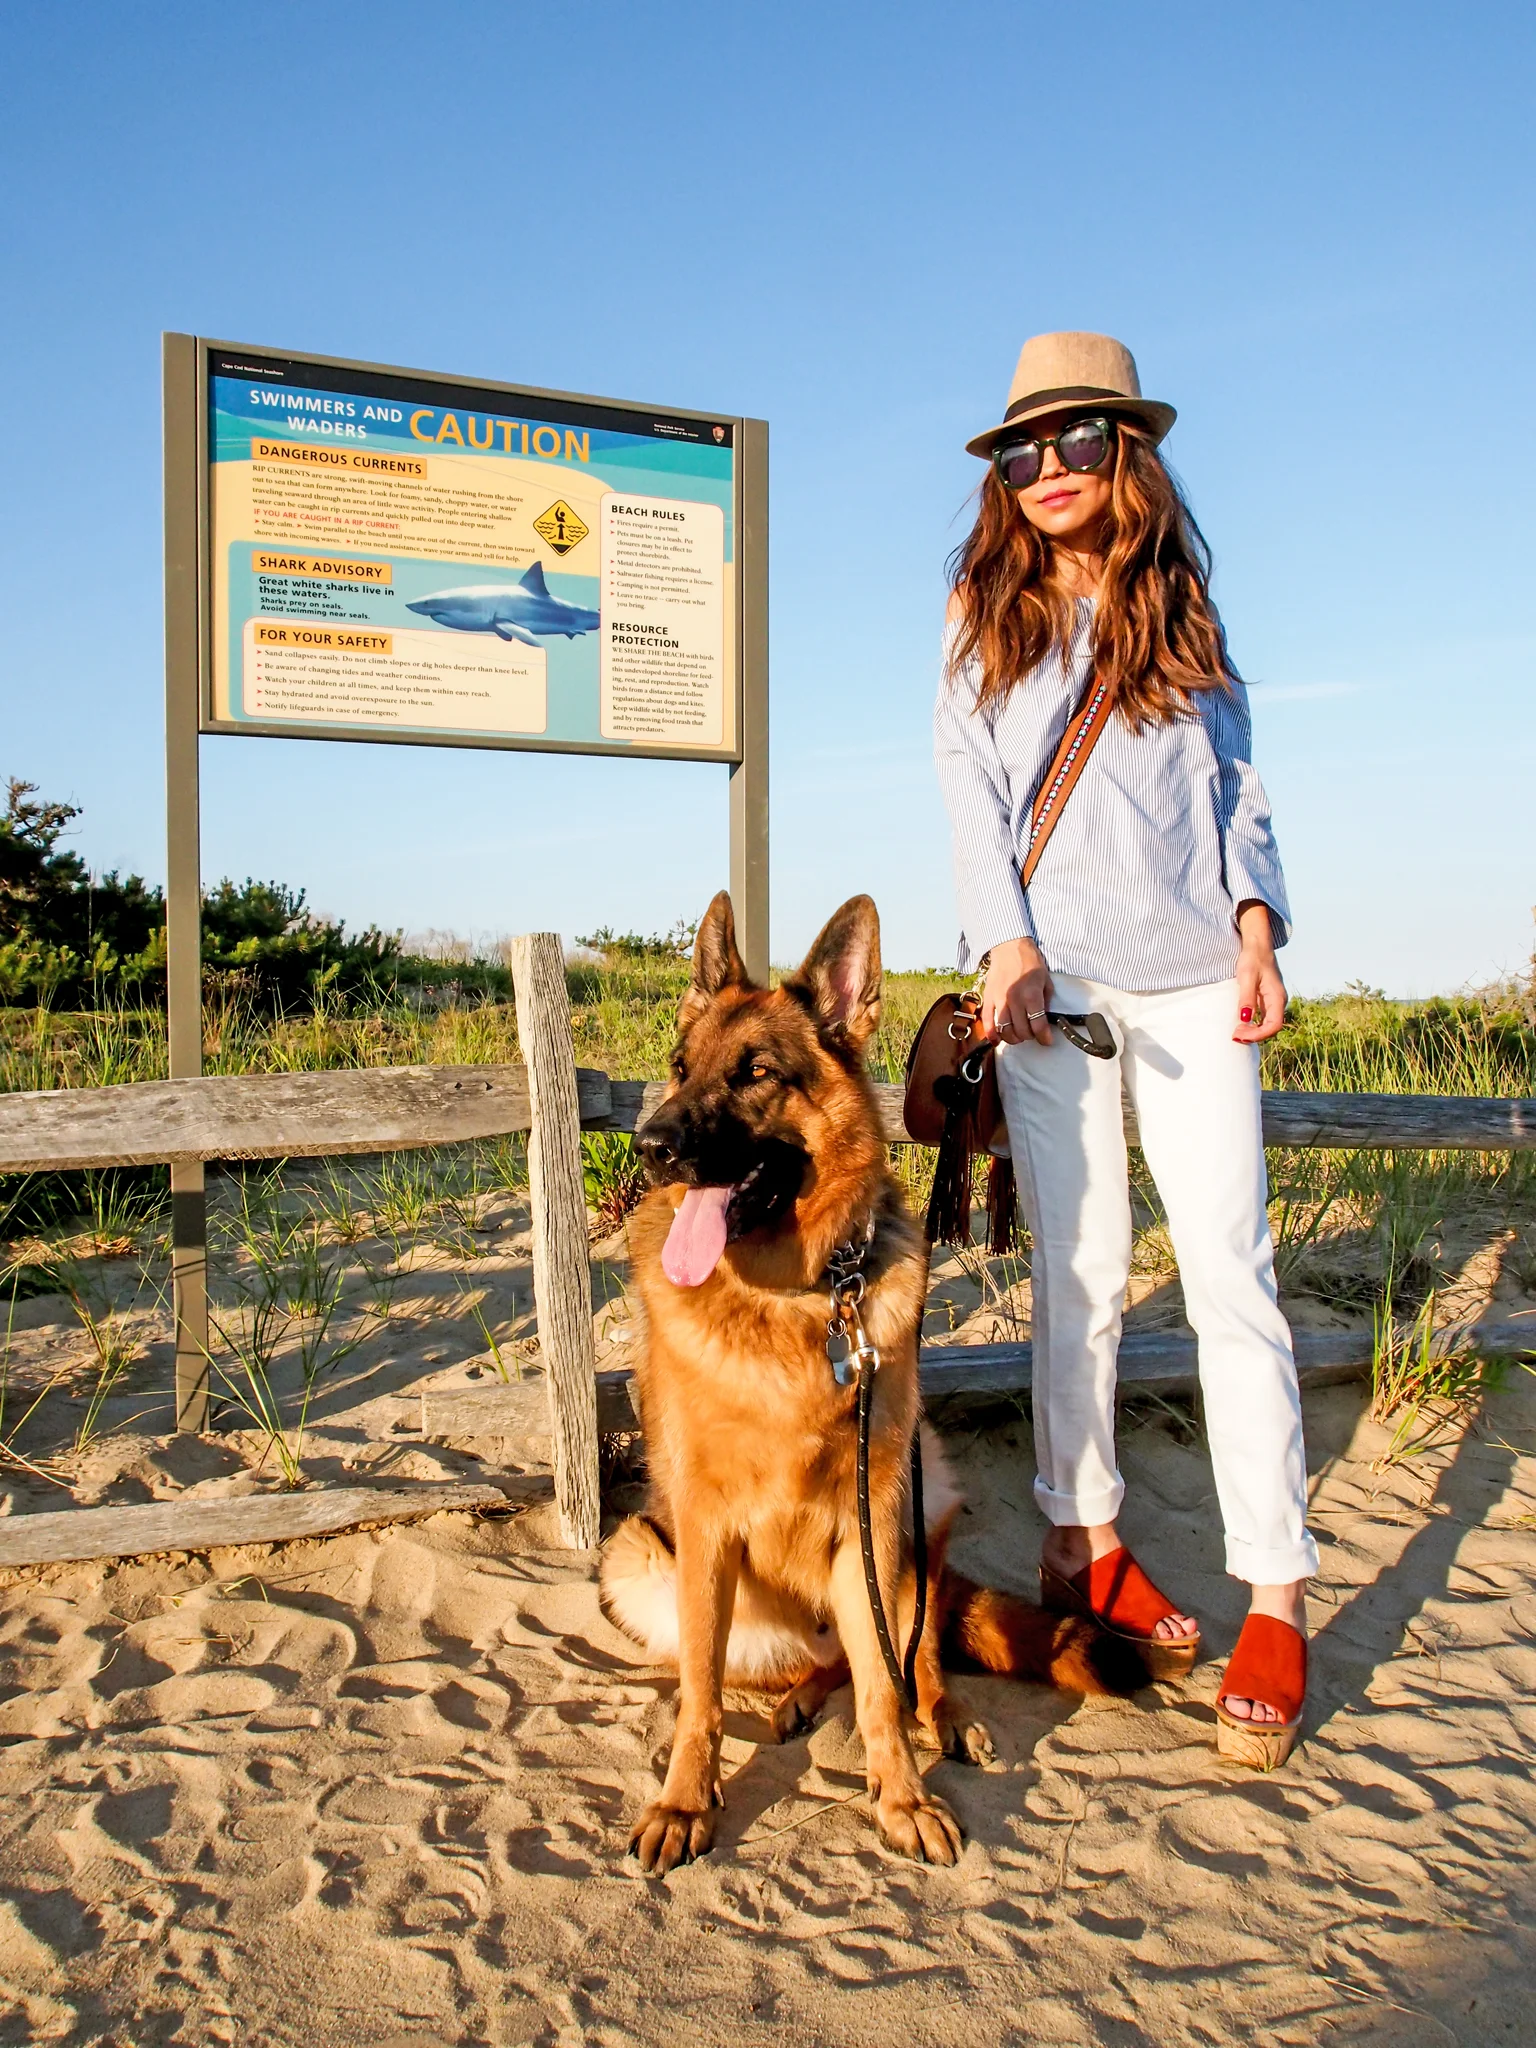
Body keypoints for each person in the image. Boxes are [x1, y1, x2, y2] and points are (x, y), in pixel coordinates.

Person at [933, 331, 1317, 1766]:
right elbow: (971, 789)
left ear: (1128, 454)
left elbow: (1240, 788)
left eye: (1078, 439)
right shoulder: (983, 611)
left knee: (1231, 1277)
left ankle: (1276, 1589)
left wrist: (1259, 928)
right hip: (1055, 988)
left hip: (1197, 979)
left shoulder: (1182, 609)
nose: (1047, 468)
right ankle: (1079, 1541)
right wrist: (1004, 947)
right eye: (1021, 450)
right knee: (1081, 1276)